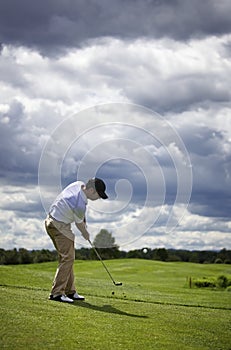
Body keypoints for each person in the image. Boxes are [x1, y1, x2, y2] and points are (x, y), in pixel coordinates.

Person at [45, 178, 108, 303]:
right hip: (60, 226)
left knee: (68, 258)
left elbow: (80, 217)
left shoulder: (78, 184)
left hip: (51, 221)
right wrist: (86, 233)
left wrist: (83, 223)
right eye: (98, 195)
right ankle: (57, 293)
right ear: (91, 190)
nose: (99, 198)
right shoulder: (79, 204)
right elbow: (80, 225)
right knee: (67, 258)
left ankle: (70, 291)